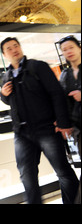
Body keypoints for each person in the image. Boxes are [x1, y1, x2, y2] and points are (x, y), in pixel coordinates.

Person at [0, 37, 79, 204]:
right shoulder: (5, 77)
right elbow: (10, 102)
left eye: (16, 46)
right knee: (27, 177)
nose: (14, 50)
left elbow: (56, 94)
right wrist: (4, 96)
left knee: (63, 171)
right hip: (22, 134)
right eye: (9, 48)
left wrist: (63, 123)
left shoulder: (38, 67)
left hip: (46, 129)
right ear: (4, 54)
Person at [58, 35, 81, 204]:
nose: (68, 52)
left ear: (79, 47)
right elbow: (60, 101)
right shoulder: (64, 75)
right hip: (78, 127)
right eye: (64, 50)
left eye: (71, 47)